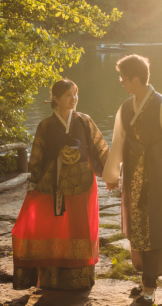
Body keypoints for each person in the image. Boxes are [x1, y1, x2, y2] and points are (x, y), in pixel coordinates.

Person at [103, 54, 162, 305]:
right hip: (133, 178)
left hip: (158, 178)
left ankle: (150, 286)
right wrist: (112, 175)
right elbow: (118, 141)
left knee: (157, 229)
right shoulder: (126, 107)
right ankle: (145, 282)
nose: (121, 83)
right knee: (139, 231)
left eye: (124, 79)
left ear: (136, 79)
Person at [12, 80, 109, 290]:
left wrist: (111, 172)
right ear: (55, 98)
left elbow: (100, 147)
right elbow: (36, 155)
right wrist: (34, 182)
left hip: (81, 182)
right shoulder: (45, 125)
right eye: (68, 95)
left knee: (80, 227)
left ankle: (81, 277)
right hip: (51, 184)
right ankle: (51, 277)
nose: (74, 98)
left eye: (76, 93)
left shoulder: (84, 121)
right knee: (51, 227)